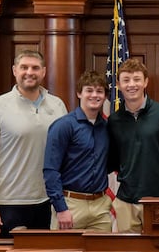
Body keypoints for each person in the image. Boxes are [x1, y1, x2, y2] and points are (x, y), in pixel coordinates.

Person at [0, 50, 67, 238]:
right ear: (14, 71)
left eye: (35, 68)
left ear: (43, 72)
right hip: (10, 203)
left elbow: (66, 154)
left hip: (48, 202)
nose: (29, 72)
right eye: (24, 67)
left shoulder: (58, 106)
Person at [107, 58, 159, 233]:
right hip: (126, 200)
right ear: (118, 84)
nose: (132, 84)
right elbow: (114, 161)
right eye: (126, 80)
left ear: (146, 82)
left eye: (137, 79)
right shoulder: (114, 120)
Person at [43, 70, 111, 232]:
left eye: (99, 91)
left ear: (105, 96)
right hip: (71, 205)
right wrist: (61, 208)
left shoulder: (107, 127)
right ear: (79, 93)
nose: (94, 95)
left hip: (100, 206)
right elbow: (50, 170)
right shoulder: (63, 126)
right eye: (89, 90)